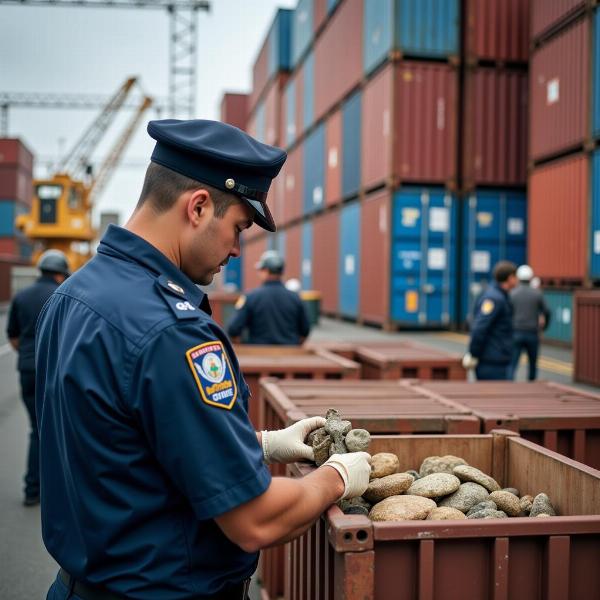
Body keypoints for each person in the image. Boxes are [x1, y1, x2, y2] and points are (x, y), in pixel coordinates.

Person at [36, 119, 371, 600]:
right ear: (197, 207)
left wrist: (259, 444)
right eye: (238, 227)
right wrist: (335, 479)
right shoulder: (173, 330)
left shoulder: (71, 296)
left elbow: (115, 442)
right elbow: (254, 519)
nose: (237, 250)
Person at [5, 249, 69, 506]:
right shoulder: (61, 296)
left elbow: (13, 337)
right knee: (52, 431)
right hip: (51, 370)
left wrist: (30, 356)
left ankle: (34, 489)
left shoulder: (21, 296)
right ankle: (46, 489)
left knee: (36, 428)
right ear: (59, 274)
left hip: (26, 370)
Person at [227, 250, 310, 345]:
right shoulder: (296, 298)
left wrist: (244, 347)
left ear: (266, 271)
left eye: (260, 269)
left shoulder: (251, 297)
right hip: (290, 355)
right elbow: (305, 331)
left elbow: (233, 329)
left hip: (257, 355)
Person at [463, 261, 518, 380]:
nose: (517, 280)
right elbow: (479, 328)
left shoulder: (499, 296)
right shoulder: (494, 299)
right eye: (515, 277)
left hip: (496, 359)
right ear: (510, 278)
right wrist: (473, 354)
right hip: (492, 362)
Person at [509, 264, 551, 380]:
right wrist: (544, 327)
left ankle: (507, 386)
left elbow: (508, 313)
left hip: (516, 332)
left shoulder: (512, 293)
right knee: (532, 365)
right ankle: (531, 387)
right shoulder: (537, 293)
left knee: (512, 364)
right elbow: (547, 311)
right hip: (532, 333)